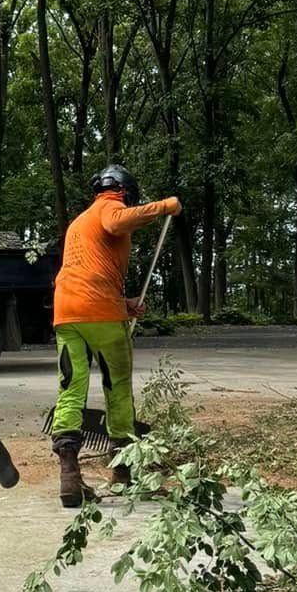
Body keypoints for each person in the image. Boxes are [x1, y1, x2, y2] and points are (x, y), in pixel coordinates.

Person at [50, 164, 180, 508]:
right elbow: (116, 221)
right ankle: (122, 473)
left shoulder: (79, 222)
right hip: (100, 316)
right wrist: (165, 206)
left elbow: (86, 275)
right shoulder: (111, 206)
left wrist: (124, 304)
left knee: (71, 386)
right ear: (124, 191)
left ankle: (69, 477)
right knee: (117, 387)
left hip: (67, 312)